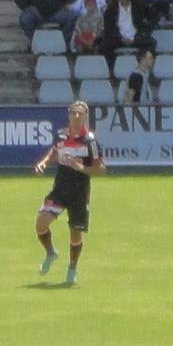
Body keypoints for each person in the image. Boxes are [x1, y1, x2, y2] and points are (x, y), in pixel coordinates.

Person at [31, 99, 102, 286]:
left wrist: (80, 167)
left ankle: (72, 267)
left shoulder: (90, 141)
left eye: (81, 113)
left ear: (86, 117)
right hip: (60, 188)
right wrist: (44, 162)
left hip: (79, 192)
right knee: (40, 224)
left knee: (75, 234)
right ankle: (50, 252)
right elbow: (55, 151)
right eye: (74, 113)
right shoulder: (61, 135)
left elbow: (100, 169)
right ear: (69, 115)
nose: (77, 116)